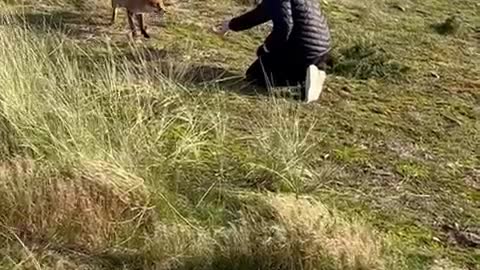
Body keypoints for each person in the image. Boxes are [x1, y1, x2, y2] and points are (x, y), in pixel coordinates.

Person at [214, 0, 331, 103]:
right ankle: (309, 73)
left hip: (303, 51)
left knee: (255, 75)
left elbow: (285, 27)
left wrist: (265, 48)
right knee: (265, 65)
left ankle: (299, 88)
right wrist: (230, 25)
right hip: (321, 51)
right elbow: (259, 15)